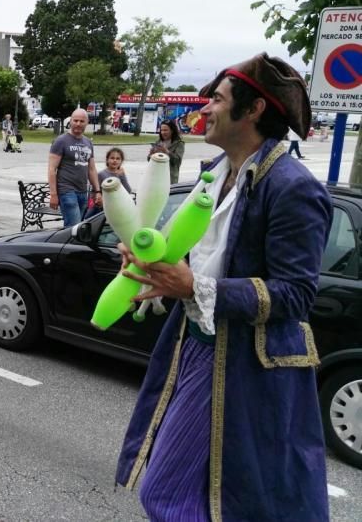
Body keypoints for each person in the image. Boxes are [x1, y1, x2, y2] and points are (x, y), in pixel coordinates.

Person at [115, 54, 333, 520]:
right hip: (195, 347)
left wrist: (194, 286)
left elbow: (295, 294)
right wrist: (151, 258)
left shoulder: (293, 187)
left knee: (179, 493)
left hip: (249, 366)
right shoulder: (216, 170)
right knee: (190, 492)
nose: (204, 106)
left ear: (253, 110)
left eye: (217, 98)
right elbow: (187, 247)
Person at [47, 108, 101, 227]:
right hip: (66, 191)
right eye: (75, 120)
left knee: (77, 228)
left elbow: (91, 169)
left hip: (83, 191)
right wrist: (54, 194)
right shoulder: (61, 141)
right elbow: (52, 169)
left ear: (87, 123)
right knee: (73, 227)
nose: (78, 124)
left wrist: (97, 190)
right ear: (70, 121)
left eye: (82, 121)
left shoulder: (88, 142)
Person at [83, 147, 130, 219]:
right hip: (100, 208)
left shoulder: (121, 174)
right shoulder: (101, 174)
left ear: (121, 161)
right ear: (107, 160)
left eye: (118, 159)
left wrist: (122, 176)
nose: (115, 161)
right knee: (87, 219)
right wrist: (99, 200)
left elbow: (128, 190)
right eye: (112, 158)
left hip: (116, 208)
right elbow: (93, 192)